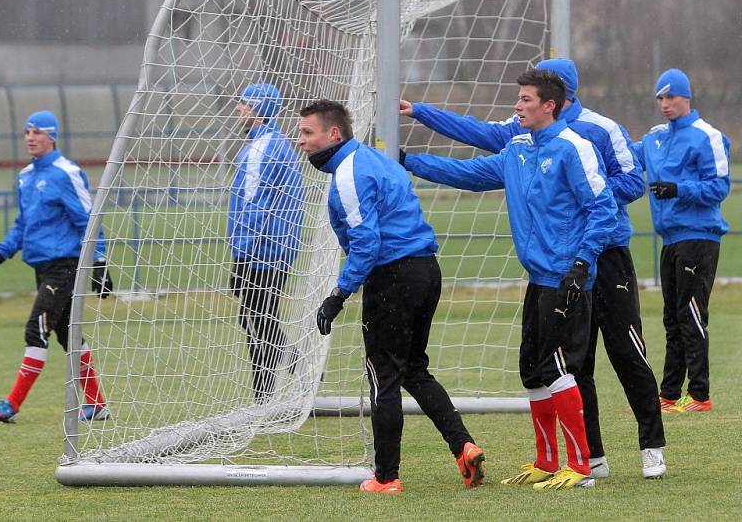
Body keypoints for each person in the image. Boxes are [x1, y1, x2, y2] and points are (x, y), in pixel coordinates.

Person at [400, 58, 667, 479]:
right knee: (551, 367)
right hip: (546, 272)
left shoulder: (590, 136)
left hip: (597, 258)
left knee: (623, 353)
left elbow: (617, 191)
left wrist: (580, 244)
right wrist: (409, 156)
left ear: (555, 99)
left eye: (525, 97)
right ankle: (581, 460)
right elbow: (474, 165)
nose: (516, 106)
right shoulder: (521, 143)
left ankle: (649, 448)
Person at [298, 99, 485, 495]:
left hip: (394, 278)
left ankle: (386, 477)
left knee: (384, 378)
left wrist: (338, 294)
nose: (302, 142)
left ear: (334, 134)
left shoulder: (350, 173)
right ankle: (463, 446)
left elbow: (367, 244)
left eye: (307, 133)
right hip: (425, 270)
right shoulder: (377, 160)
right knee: (414, 370)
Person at [0, 110, 113, 423]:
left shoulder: (66, 173)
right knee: (69, 335)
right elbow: (23, 224)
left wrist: (100, 262)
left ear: (52, 136)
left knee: (35, 330)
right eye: (27, 132)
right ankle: (97, 403)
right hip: (42, 267)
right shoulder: (26, 176)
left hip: (65, 265)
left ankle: (11, 404)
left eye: (38, 132)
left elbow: (88, 220)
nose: (30, 138)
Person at [632, 68, 730, 413]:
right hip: (670, 239)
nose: (664, 103)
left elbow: (720, 187)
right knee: (672, 318)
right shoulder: (655, 138)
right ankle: (670, 394)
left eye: (671, 96)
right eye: (659, 97)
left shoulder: (707, 136)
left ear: (686, 97)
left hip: (698, 237)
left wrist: (678, 189)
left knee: (690, 314)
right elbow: (624, 155)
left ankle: (700, 395)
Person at [228, 83, 304, 403]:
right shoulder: (270, 143)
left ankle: (265, 396)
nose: (239, 109)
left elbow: (254, 205)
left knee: (258, 319)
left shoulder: (263, 148)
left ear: (259, 108)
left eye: (244, 103)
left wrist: (241, 253)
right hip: (273, 247)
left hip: (263, 249)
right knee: (256, 318)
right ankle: (295, 369)